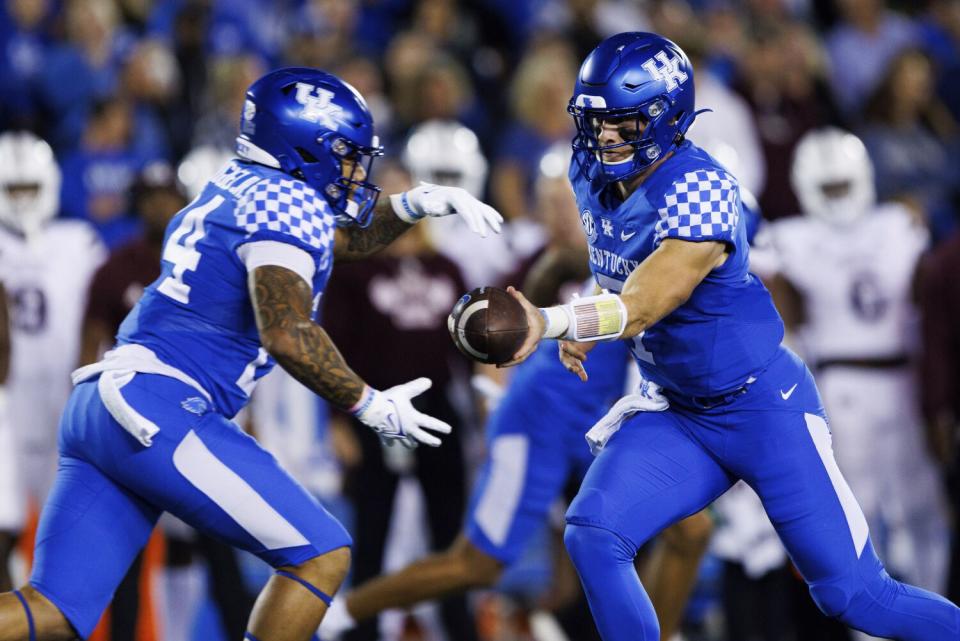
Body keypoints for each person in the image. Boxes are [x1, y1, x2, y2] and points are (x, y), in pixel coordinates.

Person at [0, 67, 503, 641]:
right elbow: (285, 331)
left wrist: (414, 204)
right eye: (343, 153)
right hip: (158, 406)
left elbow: (335, 241)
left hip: (106, 402)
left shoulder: (241, 183)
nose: (354, 170)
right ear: (303, 148)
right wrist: (368, 403)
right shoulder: (288, 205)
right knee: (322, 555)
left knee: (51, 610)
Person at [502, 32, 960, 641]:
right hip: (681, 411)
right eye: (596, 121)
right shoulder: (588, 168)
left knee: (856, 598)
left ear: (667, 118)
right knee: (593, 534)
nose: (605, 137)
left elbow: (645, 301)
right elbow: (618, 256)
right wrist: (589, 317)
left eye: (623, 122)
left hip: (762, 407)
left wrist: (557, 320)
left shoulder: (703, 187)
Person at [320, 147, 713, 641]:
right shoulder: (598, 256)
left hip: (597, 425)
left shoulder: (633, 250)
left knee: (689, 529)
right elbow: (545, 298)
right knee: (476, 564)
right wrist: (492, 395)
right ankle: (345, 612)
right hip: (536, 422)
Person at [769, 127, 950, 602]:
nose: (838, 198)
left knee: (921, 505)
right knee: (856, 513)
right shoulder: (788, 239)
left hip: (903, 380)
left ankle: (931, 614)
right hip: (840, 383)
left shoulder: (898, 224)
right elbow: (783, 316)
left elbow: (924, 298)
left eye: (843, 186)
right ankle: (871, 628)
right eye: (828, 188)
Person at [0, 131, 107, 594]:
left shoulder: (78, 241)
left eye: (30, 188)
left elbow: (104, 321)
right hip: (6, 405)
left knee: (63, 536)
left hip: (64, 400)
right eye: (12, 190)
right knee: (5, 531)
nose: (22, 200)